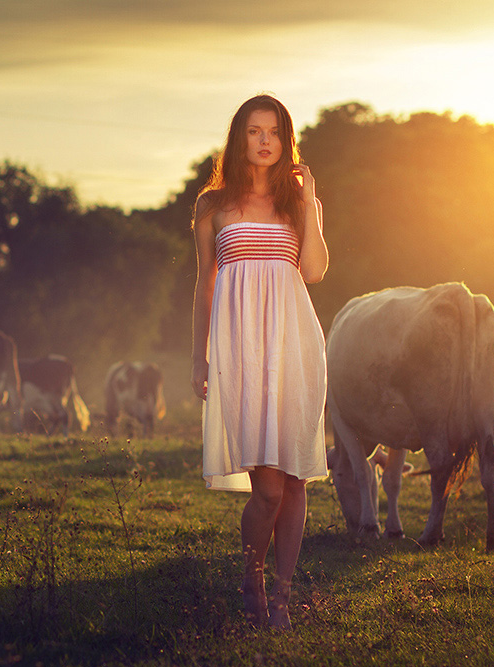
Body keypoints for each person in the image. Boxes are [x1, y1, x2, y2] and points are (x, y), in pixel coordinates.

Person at [190, 94, 329, 630]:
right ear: (240, 137)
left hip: (295, 345)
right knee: (267, 486)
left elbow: (313, 271)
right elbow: (205, 282)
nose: (265, 140)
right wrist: (198, 357)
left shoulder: (300, 205)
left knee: (293, 480)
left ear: (286, 139)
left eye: (274, 131)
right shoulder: (213, 206)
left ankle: (283, 598)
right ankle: (252, 575)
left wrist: (311, 201)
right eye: (254, 130)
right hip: (241, 348)